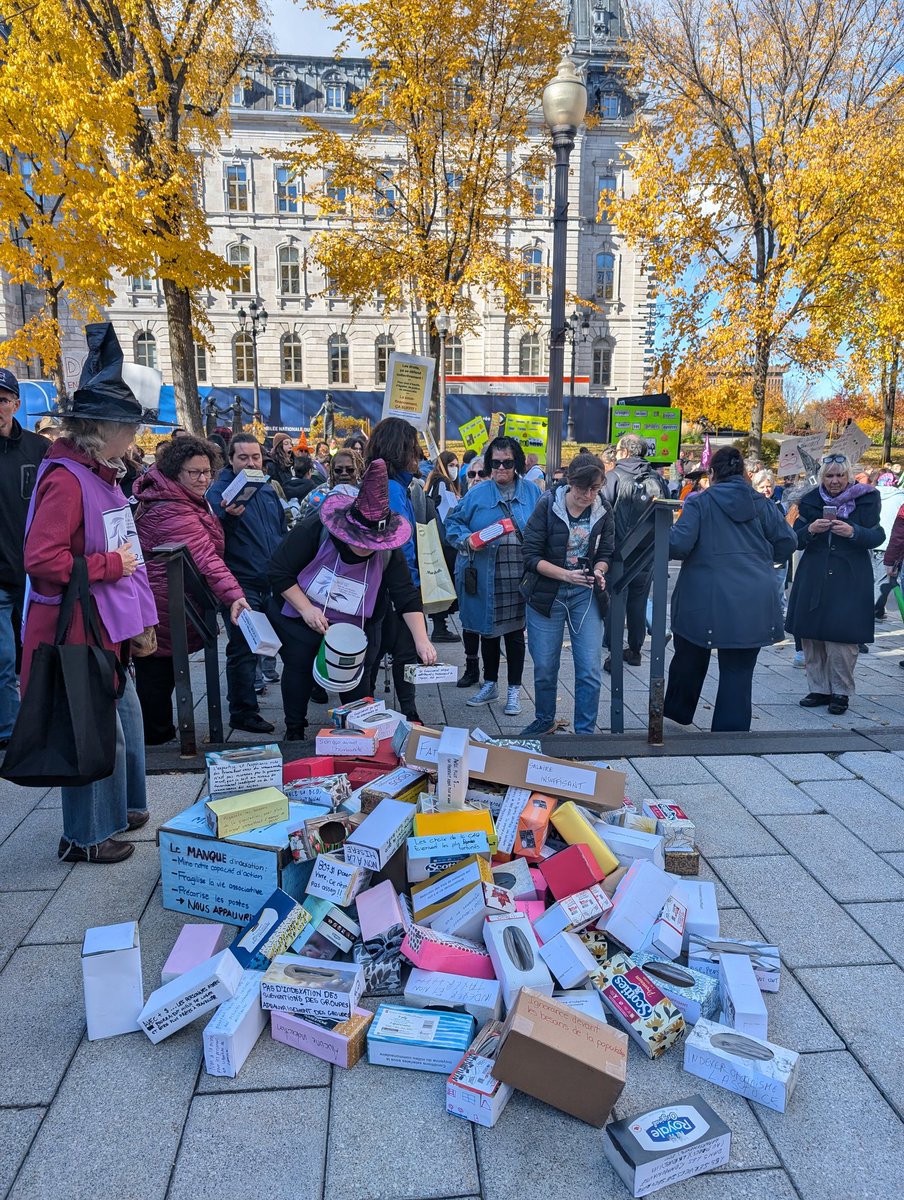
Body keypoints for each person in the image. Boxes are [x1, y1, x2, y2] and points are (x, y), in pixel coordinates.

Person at [20, 324, 158, 863]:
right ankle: (85, 836)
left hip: (101, 624)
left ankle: (119, 810)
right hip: (77, 628)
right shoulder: (68, 479)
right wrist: (107, 565)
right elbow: (41, 560)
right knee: (90, 732)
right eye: (128, 428)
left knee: (121, 720)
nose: (135, 438)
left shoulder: (99, 474)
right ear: (102, 429)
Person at [267, 459, 436, 739]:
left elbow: (405, 596)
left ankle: (358, 733)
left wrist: (422, 639)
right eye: (359, 540)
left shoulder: (387, 552)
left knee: (359, 683)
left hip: (360, 626)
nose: (364, 548)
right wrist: (307, 609)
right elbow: (278, 571)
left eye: (371, 542)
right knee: (299, 667)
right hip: (303, 618)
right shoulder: (313, 531)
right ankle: (294, 728)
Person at [663, 446, 797, 732]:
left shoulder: (700, 503)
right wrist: (763, 559)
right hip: (754, 595)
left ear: (711, 473)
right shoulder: (762, 504)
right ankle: (730, 736)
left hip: (703, 595)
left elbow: (678, 545)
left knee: (689, 652)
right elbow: (788, 541)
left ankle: (677, 712)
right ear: (744, 475)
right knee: (738, 669)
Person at [133, 436, 250, 743]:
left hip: (170, 599)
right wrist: (234, 595)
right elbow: (205, 557)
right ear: (175, 472)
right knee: (157, 675)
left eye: (207, 472)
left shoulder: (179, 497)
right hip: (165, 603)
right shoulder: (173, 508)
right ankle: (154, 739)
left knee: (161, 672)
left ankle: (154, 733)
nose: (203, 479)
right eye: (194, 473)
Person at [445, 436, 541, 715]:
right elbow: (453, 523)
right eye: (496, 463)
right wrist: (466, 541)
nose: (501, 468)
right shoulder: (477, 494)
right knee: (486, 631)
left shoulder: (533, 493)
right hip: (485, 573)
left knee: (513, 635)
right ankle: (490, 684)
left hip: (519, 576)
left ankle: (513, 690)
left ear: (517, 463)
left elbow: (545, 528)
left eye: (507, 463)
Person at [520, 454, 614, 736]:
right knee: (546, 665)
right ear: (570, 482)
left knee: (589, 668)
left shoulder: (603, 508)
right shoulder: (548, 505)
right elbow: (530, 555)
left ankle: (585, 732)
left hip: (585, 592)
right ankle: (545, 718)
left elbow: (607, 552)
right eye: (583, 488)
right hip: (546, 593)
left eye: (595, 488)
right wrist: (565, 575)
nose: (588, 495)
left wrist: (598, 569)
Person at [785, 454, 884, 714]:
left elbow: (877, 535)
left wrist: (854, 532)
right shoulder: (809, 500)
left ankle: (841, 692)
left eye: (840, 475)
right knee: (811, 633)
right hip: (814, 573)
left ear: (848, 476)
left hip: (849, 576)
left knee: (843, 638)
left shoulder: (867, 498)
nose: (835, 481)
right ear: (822, 477)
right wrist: (810, 530)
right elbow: (794, 539)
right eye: (829, 475)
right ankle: (818, 688)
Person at [207, 434, 288, 734]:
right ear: (230, 459)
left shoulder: (266, 488)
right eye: (244, 458)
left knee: (288, 641)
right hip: (240, 582)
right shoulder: (220, 492)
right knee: (242, 648)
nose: (251, 462)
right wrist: (227, 517)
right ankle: (242, 711)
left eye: (255, 457)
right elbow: (212, 536)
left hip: (272, 579)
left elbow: (279, 531)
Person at [364, 418, 438, 721]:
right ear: (400, 450)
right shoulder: (391, 488)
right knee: (398, 650)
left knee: (384, 650)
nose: (418, 454)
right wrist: (411, 587)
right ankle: (404, 712)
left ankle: (375, 709)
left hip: (386, 583)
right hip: (394, 584)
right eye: (413, 448)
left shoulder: (392, 484)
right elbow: (400, 543)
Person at [0, 367, 48, 749]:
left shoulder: (38, 449)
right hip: (0, 578)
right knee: (3, 658)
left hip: (36, 574)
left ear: (16, 404)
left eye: (2, 399)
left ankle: (38, 719)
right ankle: (11, 734)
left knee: (34, 654)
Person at [602, 433, 670, 669]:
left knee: (616, 602)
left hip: (618, 552)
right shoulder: (657, 479)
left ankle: (615, 653)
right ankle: (635, 650)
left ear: (624, 453)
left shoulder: (613, 477)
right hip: (647, 553)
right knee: (639, 602)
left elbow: (601, 510)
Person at [424, 450, 461, 644]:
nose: (455, 468)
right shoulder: (443, 482)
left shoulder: (433, 480)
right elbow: (446, 509)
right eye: (452, 464)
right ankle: (440, 626)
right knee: (445, 582)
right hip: (444, 539)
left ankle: (440, 625)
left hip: (435, 538)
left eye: (457, 465)